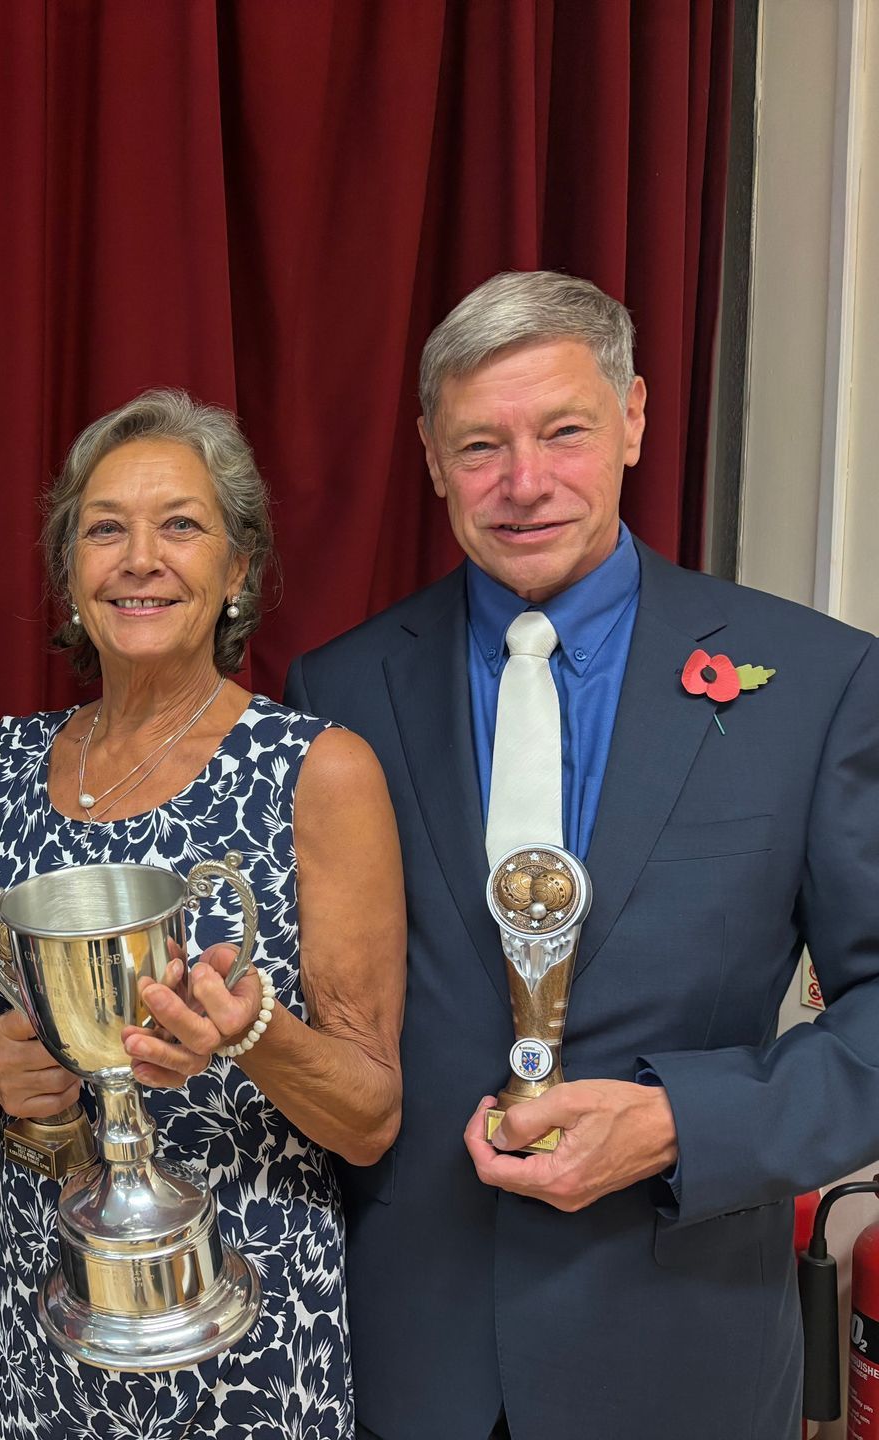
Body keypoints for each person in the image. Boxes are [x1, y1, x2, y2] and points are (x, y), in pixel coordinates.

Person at [285, 270, 879, 1440]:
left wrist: (684, 1123)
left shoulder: (816, 682)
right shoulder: (339, 690)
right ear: (430, 456)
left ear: (635, 419)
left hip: (686, 1355)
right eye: (480, 446)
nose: (524, 483)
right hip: (409, 1357)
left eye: (563, 431)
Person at [0, 388, 406, 1438]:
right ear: (70, 571)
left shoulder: (317, 771)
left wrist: (248, 1034)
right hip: (45, 1289)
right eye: (105, 529)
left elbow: (371, 1117)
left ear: (238, 568)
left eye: (181, 526)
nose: (140, 559)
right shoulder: (2, 764)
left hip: (242, 1304)